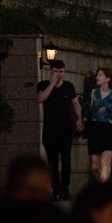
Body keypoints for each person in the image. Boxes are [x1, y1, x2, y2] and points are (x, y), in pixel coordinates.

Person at [37, 59, 83, 201]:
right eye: (56, 71)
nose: (59, 74)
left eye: (61, 72)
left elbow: (76, 104)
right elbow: (40, 98)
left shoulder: (69, 86)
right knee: (52, 160)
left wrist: (79, 119)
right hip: (50, 129)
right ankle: (54, 190)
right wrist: (52, 83)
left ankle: (65, 190)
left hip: (65, 128)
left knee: (66, 159)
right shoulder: (43, 85)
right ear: (50, 70)